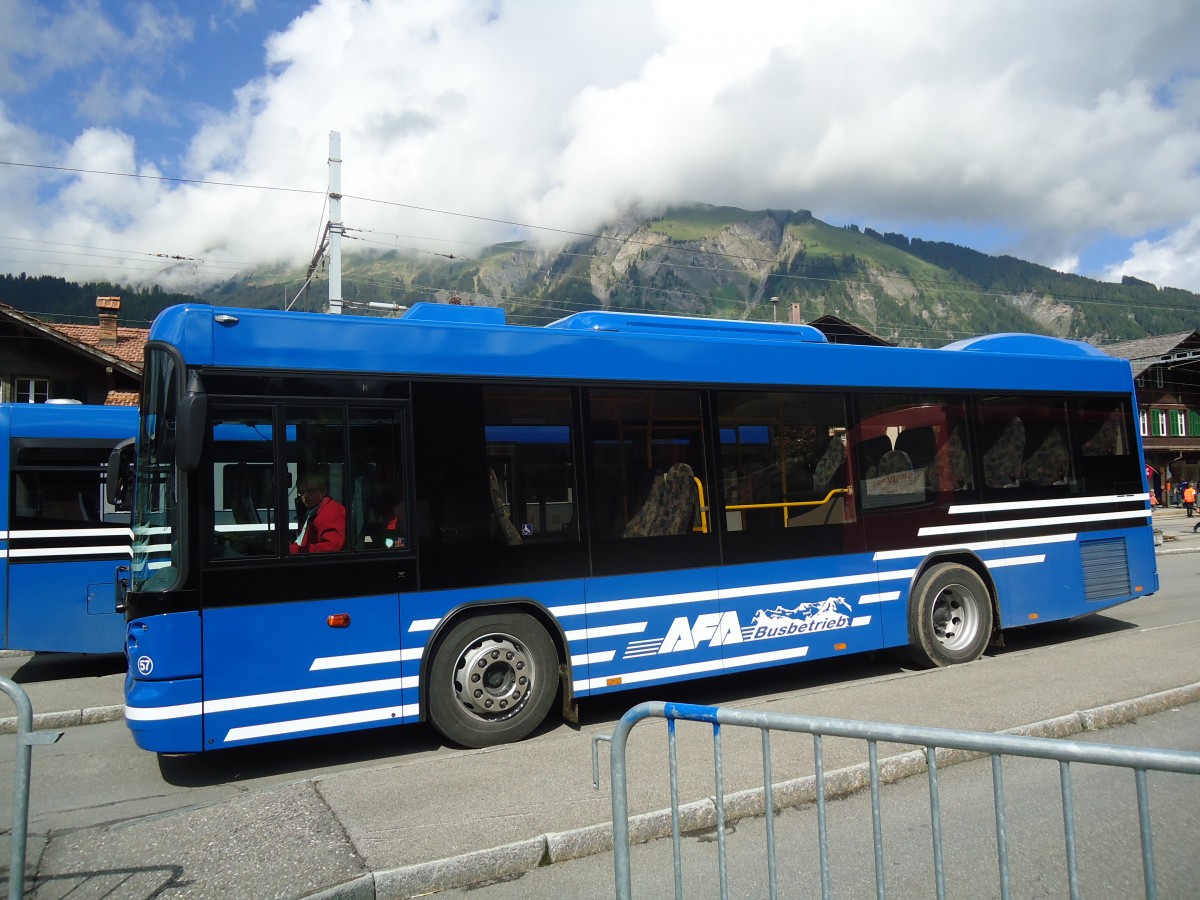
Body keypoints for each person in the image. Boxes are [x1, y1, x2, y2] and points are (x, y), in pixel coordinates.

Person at [290, 472, 346, 554]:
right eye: (302, 492)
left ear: (323, 491)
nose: (305, 496)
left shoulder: (331, 511)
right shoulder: (312, 512)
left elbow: (333, 547)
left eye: (310, 491)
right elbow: (301, 541)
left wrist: (297, 550)